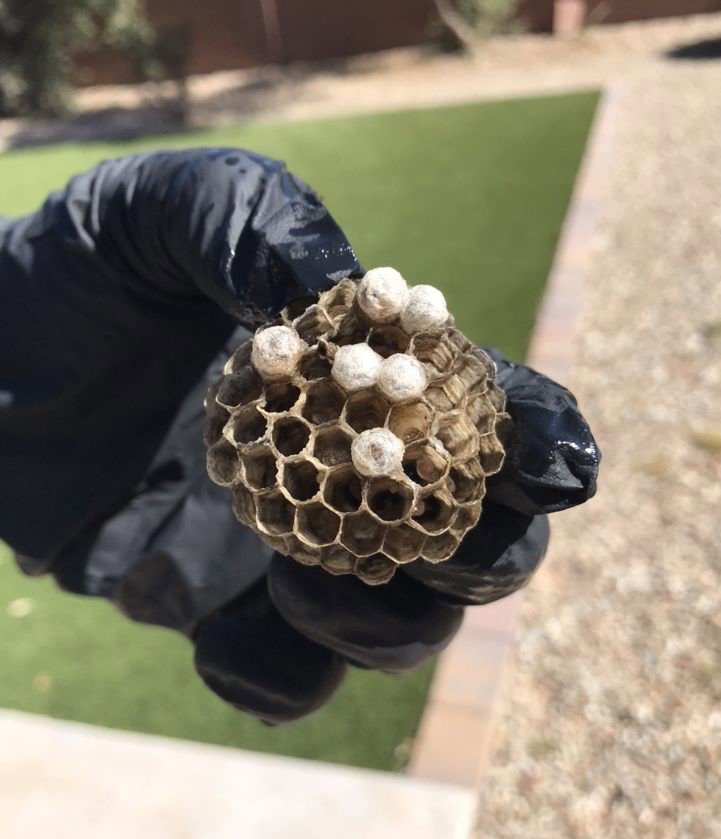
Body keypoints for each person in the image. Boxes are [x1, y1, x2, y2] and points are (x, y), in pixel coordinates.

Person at [0, 148, 600, 724]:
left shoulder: (48, 265)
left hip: (241, 393)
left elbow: (165, 213)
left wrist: (307, 291)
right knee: (295, 647)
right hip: (145, 548)